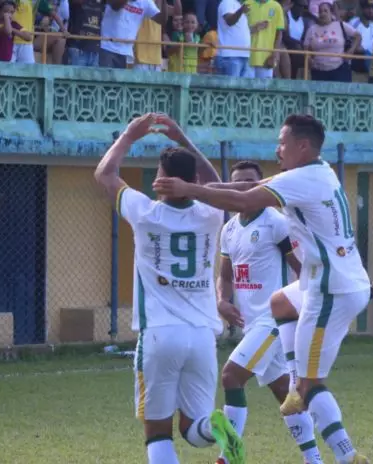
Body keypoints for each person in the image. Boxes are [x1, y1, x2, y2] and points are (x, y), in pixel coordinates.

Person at [153, 114, 371, 464]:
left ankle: (347, 456)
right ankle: (308, 440)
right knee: (280, 302)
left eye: (282, 142)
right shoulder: (315, 173)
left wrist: (189, 189)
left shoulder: (296, 189)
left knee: (303, 384)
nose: (277, 149)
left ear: (302, 146)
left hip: (332, 287)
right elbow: (239, 192)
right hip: (321, 284)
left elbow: (243, 200)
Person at [94, 113, 245, 464]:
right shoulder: (211, 213)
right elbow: (214, 182)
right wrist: (182, 139)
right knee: (194, 429)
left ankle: (213, 430)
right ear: (191, 181)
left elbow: (104, 174)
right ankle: (217, 428)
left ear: (159, 182)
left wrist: (129, 136)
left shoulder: (145, 213)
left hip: (160, 334)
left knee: (157, 432)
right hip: (203, 336)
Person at [215, 161, 323, 464]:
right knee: (283, 395)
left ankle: (228, 456)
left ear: (263, 185)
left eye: (251, 181)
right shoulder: (230, 228)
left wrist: (305, 313)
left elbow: (302, 271)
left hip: (273, 320)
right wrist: (222, 300)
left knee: (231, 376)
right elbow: (225, 275)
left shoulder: (276, 223)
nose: (245, 187)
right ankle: (315, 460)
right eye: (238, 182)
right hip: (252, 324)